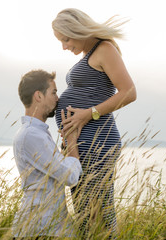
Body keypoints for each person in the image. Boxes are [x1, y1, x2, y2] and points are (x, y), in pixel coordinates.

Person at [52, 8, 137, 238]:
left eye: (66, 39)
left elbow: (129, 92)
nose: (64, 46)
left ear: (77, 29)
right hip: (81, 145)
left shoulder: (104, 49)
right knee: (85, 214)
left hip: (98, 143)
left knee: (99, 213)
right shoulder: (89, 54)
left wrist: (87, 114)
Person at [12, 69, 83, 239]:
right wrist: (73, 142)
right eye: (54, 92)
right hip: (41, 229)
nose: (57, 98)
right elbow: (70, 177)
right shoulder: (32, 135)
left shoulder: (36, 133)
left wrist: (64, 151)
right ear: (38, 96)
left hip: (44, 227)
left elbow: (52, 174)